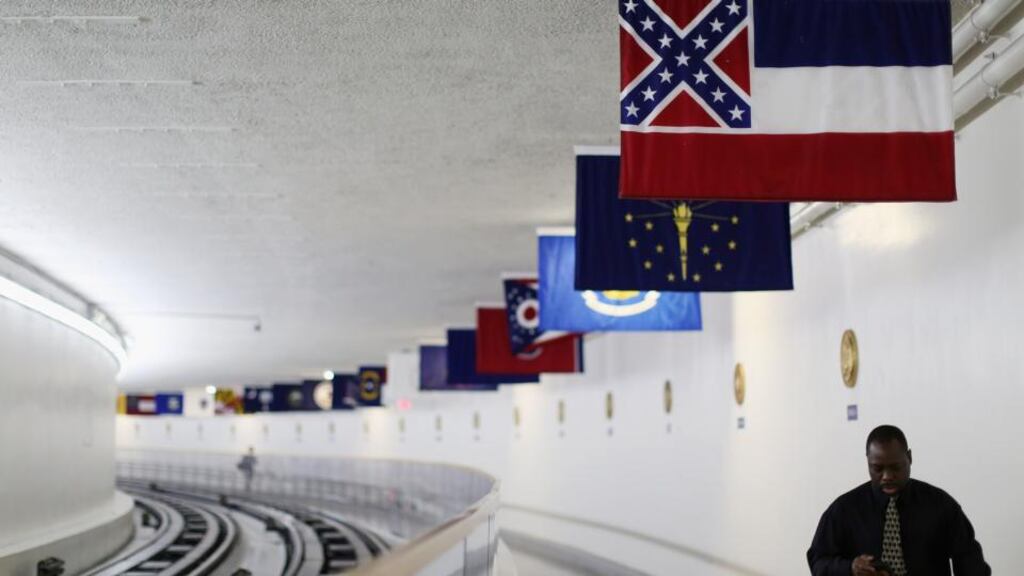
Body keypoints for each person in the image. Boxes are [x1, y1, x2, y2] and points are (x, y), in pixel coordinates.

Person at [807, 425, 990, 575]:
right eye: (877, 468)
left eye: (895, 467)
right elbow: (818, 562)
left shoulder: (941, 506)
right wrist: (849, 568)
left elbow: (971, 564)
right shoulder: (844, 510)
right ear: (868, 462)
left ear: (909, 458)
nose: (887, 476)